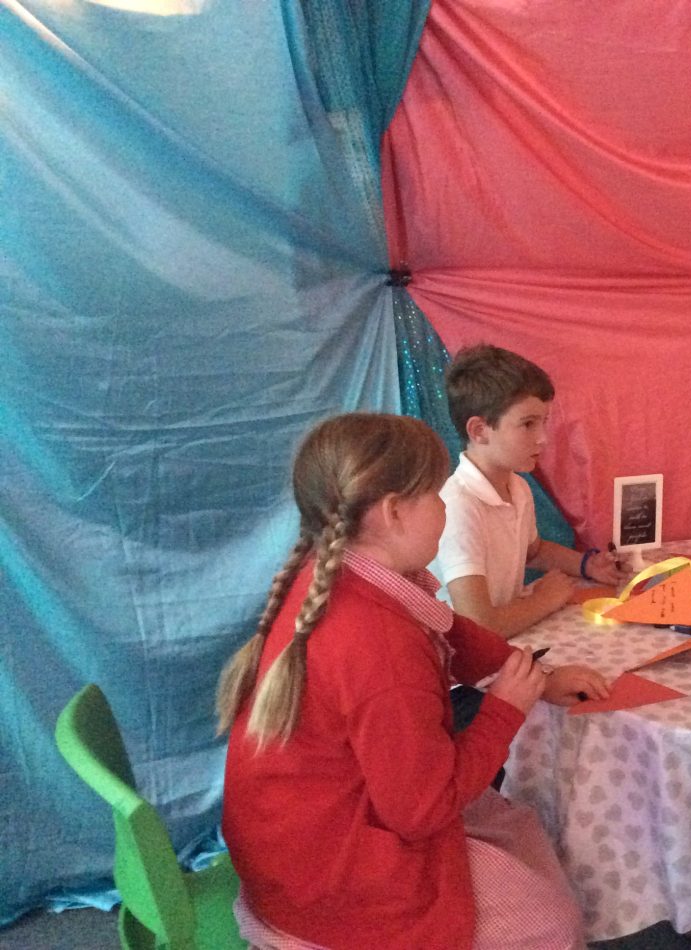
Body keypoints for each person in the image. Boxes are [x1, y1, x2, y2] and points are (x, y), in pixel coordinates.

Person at [217, 412, 608, 950]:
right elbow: (422, 808)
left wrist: (537, 677)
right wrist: (504, 709)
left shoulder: (341, 577)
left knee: (516, 830)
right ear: (396, 512)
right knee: (552, 926)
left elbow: (451, 631)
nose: (445, 509)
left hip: (294, 843)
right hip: (327, 881)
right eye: (437, 497)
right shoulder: (378, 644)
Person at [431, 344, 621, 638]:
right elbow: (479, 626)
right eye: (528, 424)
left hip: (506, 642)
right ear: (479, 430)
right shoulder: (458, 506)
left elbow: (533, 551)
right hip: (462, 667)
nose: (543, 438)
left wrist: (586, 565)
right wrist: (544, 599)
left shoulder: (517, 487)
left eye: (544, 421)